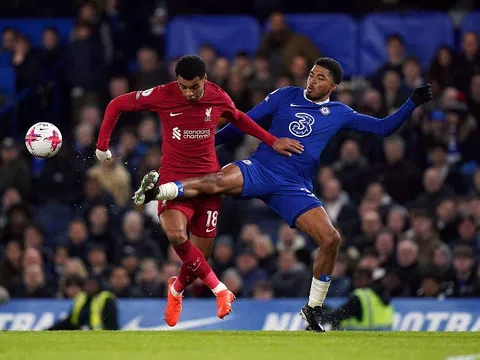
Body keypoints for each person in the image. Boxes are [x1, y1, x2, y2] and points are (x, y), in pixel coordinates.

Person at [135, 57, 433, 332]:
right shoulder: (284, 96)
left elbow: (382, 128)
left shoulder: (340, 113)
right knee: (214, 181)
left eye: (320, 78)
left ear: (334, 86)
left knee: (331, 239)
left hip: (293, 185)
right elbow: (241, 123)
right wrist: (205, 146)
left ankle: (313, 309)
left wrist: (412, 103)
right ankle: (160, 191)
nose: (312, 81)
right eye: (311, 75)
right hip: (261, 167)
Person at [95, 55, 302, 327]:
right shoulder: (163, 94)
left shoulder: (217, 96)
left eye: (194, 86)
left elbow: (239, 118)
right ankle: (221, 290)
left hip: (207, 183)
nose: (189, 92)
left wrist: (272, 140)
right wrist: (102, 144)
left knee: (198, 258)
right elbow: (116, 104)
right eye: (183, 86)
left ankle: (176, 289)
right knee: (177, 235)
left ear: (205, 79)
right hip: (172, 181)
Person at [320, 268, 394, 331]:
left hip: (364, 338)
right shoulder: (382, 294)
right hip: (385, 338)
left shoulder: (360, 297)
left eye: (358, 278)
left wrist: (319, 314)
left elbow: (336, 316)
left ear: (368, 280)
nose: (355, 282)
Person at [47, 275, 118, 330]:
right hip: (81, 335)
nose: (90, 287)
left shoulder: (106, 299)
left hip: (99, 337)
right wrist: (48, 330)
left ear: (99, 285)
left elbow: (112, 325)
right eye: (88, 284)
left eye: (93, 285)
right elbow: (70, 321)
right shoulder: (81, 298)